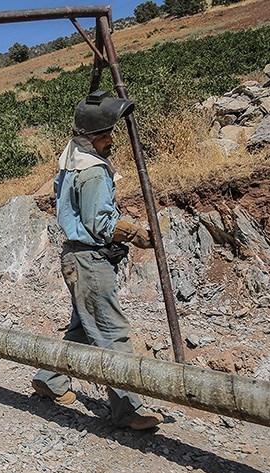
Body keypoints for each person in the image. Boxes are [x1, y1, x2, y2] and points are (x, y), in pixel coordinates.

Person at [31, 90, 164, 431]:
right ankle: (127, 410)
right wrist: (138, 234)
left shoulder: (73, 159)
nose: (111, 140)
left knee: (80, 329)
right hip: (90, 262)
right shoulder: (92, 173)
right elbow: (100, 223)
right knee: (111, 333)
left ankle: (51, 379)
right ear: (92, 137)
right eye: (106, 135)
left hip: (78, 260)